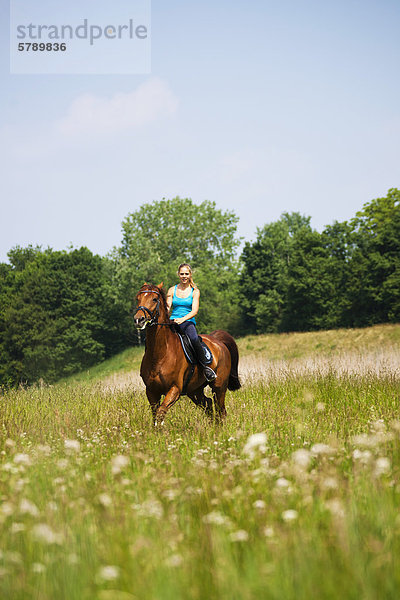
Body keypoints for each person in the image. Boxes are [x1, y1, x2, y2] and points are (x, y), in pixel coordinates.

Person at [166, 263, 216, 382]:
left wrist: (182, 320)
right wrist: (166, 318)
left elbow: (194, 311)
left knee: (194, 339)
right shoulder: (172, 290)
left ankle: (205, 368)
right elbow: (167, 308)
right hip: (173, 321)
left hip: (187, 322)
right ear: (178, 274)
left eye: (186, 274)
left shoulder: (195, 291)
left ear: (190, 275)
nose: (184, 276)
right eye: (182, 274)